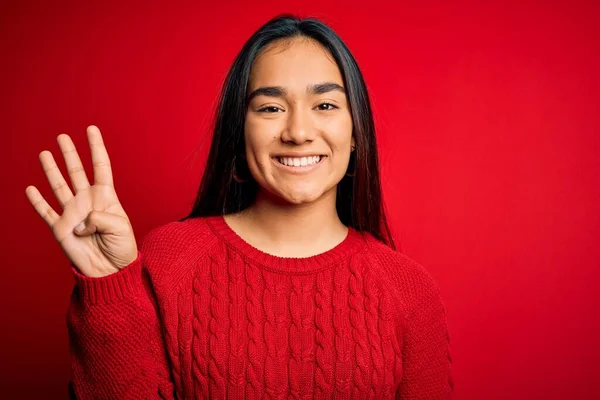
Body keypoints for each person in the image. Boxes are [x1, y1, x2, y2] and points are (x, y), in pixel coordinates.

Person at [25, 14, 453, 399]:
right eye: (270, 107)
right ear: (239, 133)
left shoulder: (408, 289)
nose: (299, 131)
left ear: (356, 130)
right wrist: (108, 285)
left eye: (325, 105)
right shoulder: (171, 258)